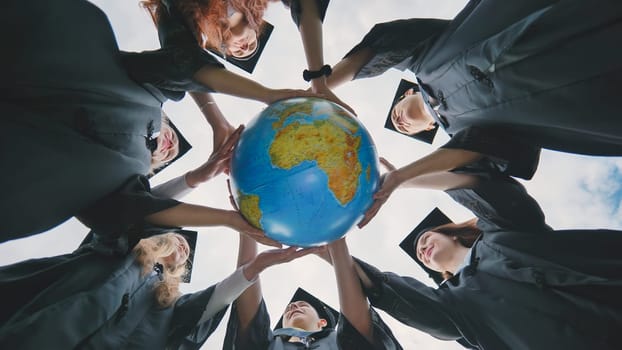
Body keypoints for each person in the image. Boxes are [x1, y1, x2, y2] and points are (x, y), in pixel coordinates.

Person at [320, 0, 622, 225]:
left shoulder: (428, 59)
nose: (399, 120)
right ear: (426, 131)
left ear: (408, 91)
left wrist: (320, 88)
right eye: (405, 128)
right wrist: (400, 176)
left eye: (396, 111)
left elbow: (385, 44)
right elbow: (480, 151)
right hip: (586, 91)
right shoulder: (466, 135)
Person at [347, 167, 622, 349]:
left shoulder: (503, 232)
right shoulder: (457, 304)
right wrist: (336, 252)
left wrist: (406, 178)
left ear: (451, 234)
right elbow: (392, 293)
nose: (422, 250)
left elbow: (491, 191)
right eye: (420, 254)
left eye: (426, 239)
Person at [0, 229, 317, 349]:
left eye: (186, 252)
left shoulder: (167, 304)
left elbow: (213, 302)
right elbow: (125, 212)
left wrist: (255, 266)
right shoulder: (115, 248)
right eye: (177, 238)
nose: (183, 246)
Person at [128, 0, 352, 115]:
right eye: (252, 44)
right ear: (257, 27)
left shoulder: (182, 15)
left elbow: (185, 65)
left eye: (240, 51)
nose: (245, 47)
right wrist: (317, 79)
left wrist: (216, 122)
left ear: (223, 46)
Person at [222, 232, 402, 349]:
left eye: (301, 305)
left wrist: (337, 242)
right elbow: (247, 314)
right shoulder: (268, 344)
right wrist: (248, 232)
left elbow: (359, 324)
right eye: (291, 309)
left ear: (322, 322)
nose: (293, 307)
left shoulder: (340, 343)